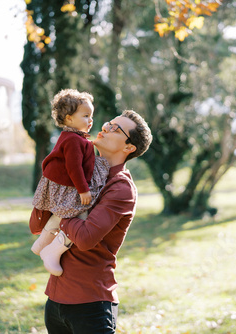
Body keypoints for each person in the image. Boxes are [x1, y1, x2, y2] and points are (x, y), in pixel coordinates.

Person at [29, 109, 152, 334]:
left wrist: (63, 213)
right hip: (55, 299)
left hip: (90, 304)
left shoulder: (121, 187)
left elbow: (85, 238)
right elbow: (42, 219)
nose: (105, 127)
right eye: (108, 123)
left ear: (128, 147)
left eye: (116, 128)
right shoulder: (82, 171)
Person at [30, 88, 110, 277]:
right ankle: (52, 251)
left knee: (62, 214)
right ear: (68, 118)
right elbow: (74, 167)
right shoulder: (73, 140)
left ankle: (42, 243)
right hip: (68, 186)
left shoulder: (75, 138)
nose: (90, 120)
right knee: (78, 217)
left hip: (65, 184)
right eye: (85, 115)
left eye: (91, 115)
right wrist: (83, 190)